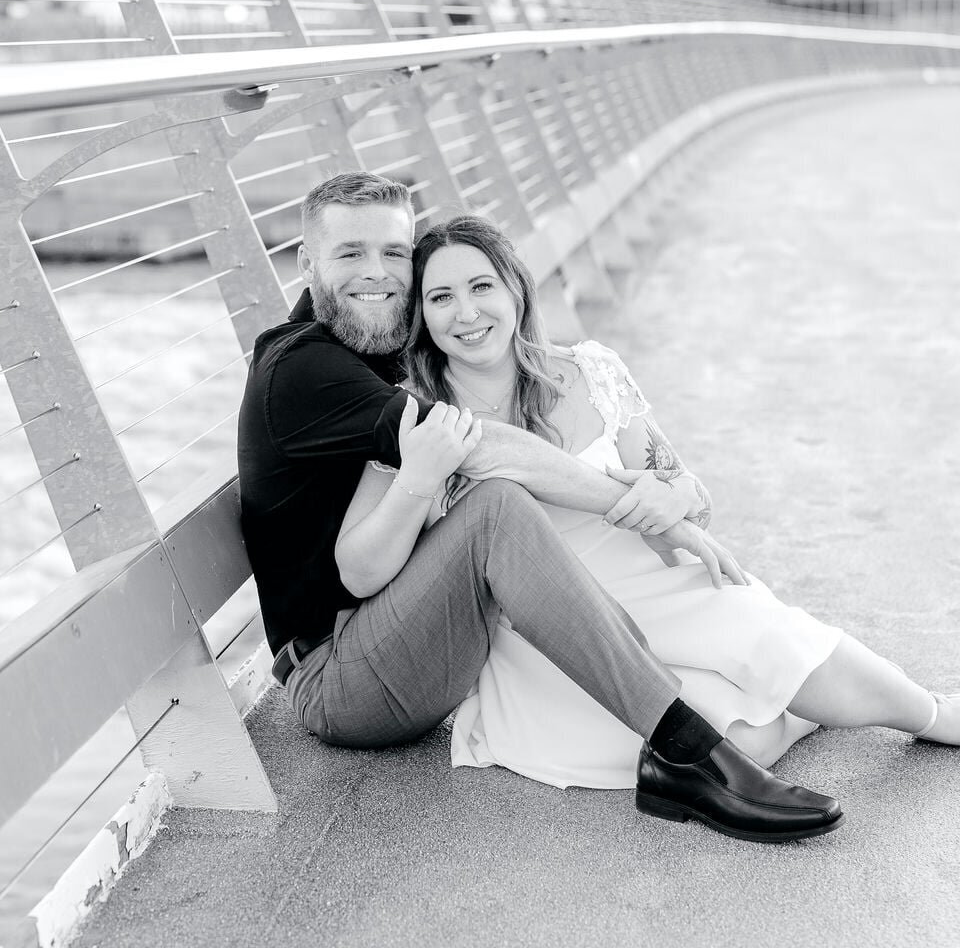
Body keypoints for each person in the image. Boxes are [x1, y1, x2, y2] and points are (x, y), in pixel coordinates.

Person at [238, 171, 847, 845]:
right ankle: (687, 753)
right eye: (349, 253)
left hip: (397, 630)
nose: (377, 273)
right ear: (305, 262)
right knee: (498, 504)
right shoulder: (302, 366)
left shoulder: (375, 351)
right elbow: (485, 448)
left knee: (527, 522)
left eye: (393, 253)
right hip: (342, 677)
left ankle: (731, 709)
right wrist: (641, 508)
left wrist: (669, 496)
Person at [337, 210, 958, 796]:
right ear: (421, 316)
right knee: (734, 742)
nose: (467, 313)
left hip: (658, 585)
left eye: (482, 286)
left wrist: (672, 497)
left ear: (516, 292)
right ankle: (806, 710)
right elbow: (359, 567)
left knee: (778, 646)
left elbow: (689, 493)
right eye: (441, 298)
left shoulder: (588, 372)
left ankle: (928, 715)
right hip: (552, 638)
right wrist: (417, 477)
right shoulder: (412, 413)